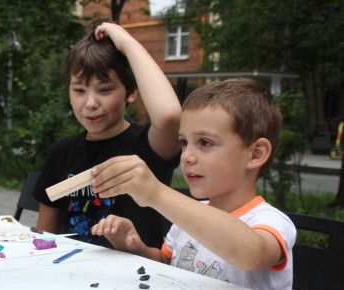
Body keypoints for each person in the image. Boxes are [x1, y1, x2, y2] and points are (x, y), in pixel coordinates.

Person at [90, 78, 296, 289]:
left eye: (205, 142)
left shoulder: (271, 222)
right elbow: (166, 262)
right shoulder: (187, 218)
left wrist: (157, 194)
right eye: (184, 142)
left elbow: (250, 254)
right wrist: (134, 247)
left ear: (255, 154)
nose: (186, 156)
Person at [32, 22, 182, 248]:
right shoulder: (61, 152)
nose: (90, 103)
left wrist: (127, 43)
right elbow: (45, 237)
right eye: (79, 90)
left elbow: (170, 116)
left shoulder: (148, 146)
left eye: (104, 90)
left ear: (131, 93)